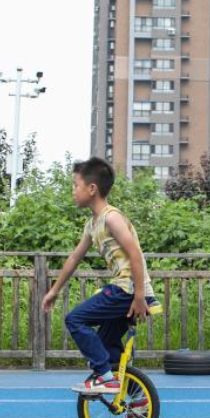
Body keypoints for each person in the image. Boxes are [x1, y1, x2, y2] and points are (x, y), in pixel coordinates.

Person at [41, 157, 158, 396]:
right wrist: (53, 291)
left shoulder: (111, 218)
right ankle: (136, 400)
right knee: (106, 346)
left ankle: (105, 377)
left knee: (75, 320)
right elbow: (73, 259)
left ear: (92, 189)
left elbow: (135, 254)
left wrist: (139, 296)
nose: (73, 191)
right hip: (127, 290)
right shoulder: (92, 225)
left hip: (127, 289)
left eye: (76, 185)